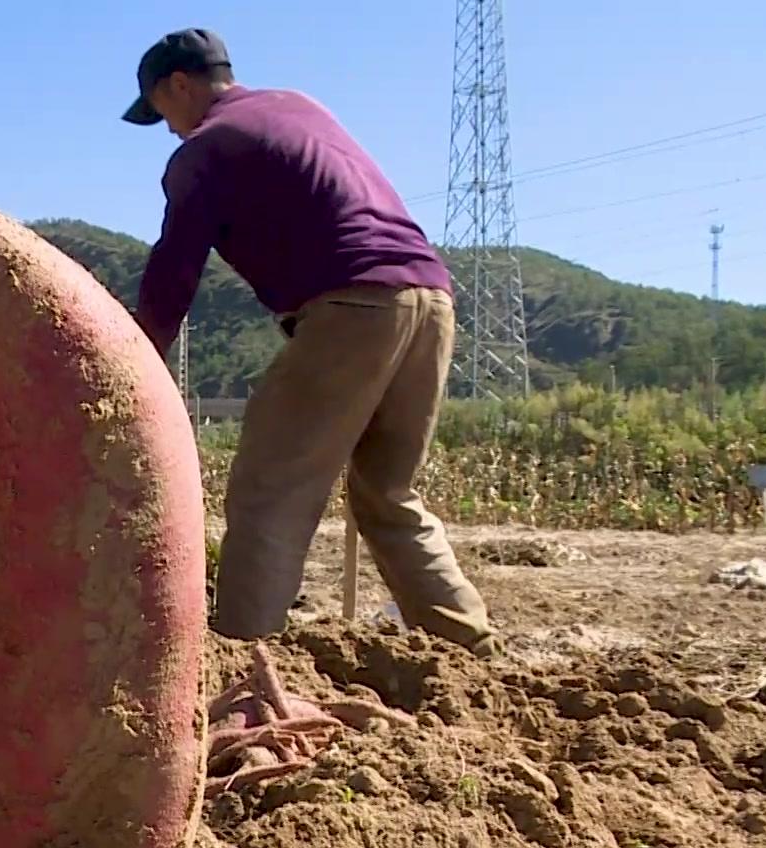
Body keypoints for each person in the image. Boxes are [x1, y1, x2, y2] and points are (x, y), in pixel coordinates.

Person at [121, 28, 499, 658]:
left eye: (161, 112)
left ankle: (244, 659)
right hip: (431, 299)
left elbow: (173, 270)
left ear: (178, 85)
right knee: (389, 493)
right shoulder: (299, 106)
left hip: (354, 306)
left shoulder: (205, 148)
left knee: (271, 489)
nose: (167, 130)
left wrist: (136, 362)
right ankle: (468, 650)